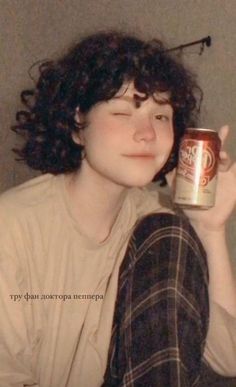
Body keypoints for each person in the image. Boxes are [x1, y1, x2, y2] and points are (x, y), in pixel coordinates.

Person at [0, 31, 235, 387]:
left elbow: (227, 358)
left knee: (169, 232)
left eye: (161, 117)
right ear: (77, 125)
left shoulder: (159, 227)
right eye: (123, 111)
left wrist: (210, 229)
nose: (147, 134)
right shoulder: (12, 225)